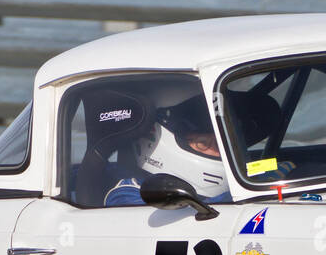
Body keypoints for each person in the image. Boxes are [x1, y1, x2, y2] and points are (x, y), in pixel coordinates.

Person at [73, 83, 225, 207]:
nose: (218, 153)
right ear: (153, 138)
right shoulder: (126, 195)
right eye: (203, 143)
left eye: (220, 144)